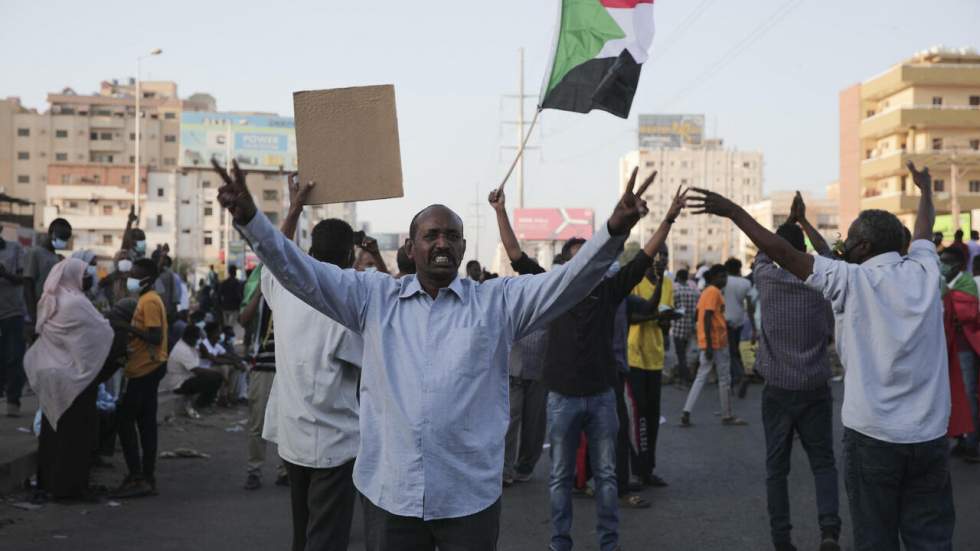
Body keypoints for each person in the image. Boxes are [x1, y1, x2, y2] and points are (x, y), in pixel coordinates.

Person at [214, 157, 657, 550]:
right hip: (392, 496)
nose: (441, 243)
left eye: (451, 235)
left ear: (464, 249)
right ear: (411, 248)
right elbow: (301, 273)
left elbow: (569, 283)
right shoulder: (373, 299)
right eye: (430, 235)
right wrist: (252, 219)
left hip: (469, 499)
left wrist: (614, 230)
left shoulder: (496, 304)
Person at [690, 161, 955, 550]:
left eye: (849, 240)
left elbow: (782, 251)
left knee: (875, 539)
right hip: (930, 437)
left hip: (873, 438)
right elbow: (923, 230)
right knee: (930, 541)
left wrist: (733, 212)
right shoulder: (925, 270)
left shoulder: (850, 280)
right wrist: (926, 191)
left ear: (862, 247)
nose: (843, 245)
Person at [495, 176, 686, 551]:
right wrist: (500, 209)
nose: (588, 261)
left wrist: (669, 219)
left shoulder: (611, 288)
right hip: (562, 397)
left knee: (608, 477)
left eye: (593, 255)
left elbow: (644, 255)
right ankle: (559, 543)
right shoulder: (552, 288)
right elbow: (516, 254)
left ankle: (608, 543)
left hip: (601, 395)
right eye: (580, 256)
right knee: (560, 478)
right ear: (567, 264)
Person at [260, 176, 364, 550]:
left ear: (312, 250)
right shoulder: (349, 302)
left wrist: (295, 206)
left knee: (302, 534)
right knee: (326, 538)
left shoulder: (286, 289)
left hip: (293, 437)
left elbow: (275, 254)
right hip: (334, 443)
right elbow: (367, 367)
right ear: (350, 256)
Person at [752, 193, 841, 551]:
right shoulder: (822, 283)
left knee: (777, 469)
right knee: (823, 464)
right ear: (803, 249)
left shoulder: (765, 279)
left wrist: (788, 226)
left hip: (777, 390)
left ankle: (782, 539)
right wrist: (803, 223)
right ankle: (829, 532)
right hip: (815, 387)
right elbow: (831, 258)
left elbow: (763, 249)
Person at [23, 259, 115, 500]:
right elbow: (102, 331)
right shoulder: (75, 302)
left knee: (52, 433)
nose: (89, 279)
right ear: (73, 276)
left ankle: (48, 484)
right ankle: (70, 489)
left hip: (49, 372)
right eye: (85, 274)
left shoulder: (50, 298)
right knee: (74, 435)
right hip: (72, 378)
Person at [488, 192, 552, 487]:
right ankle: (505, 470)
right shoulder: (533, 284)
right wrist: (501, 210)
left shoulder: (561, 296)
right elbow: (514, 252)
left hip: (541, 372)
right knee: (509, 422)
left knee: (535, 426)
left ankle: (525, 466)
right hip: (514, 370)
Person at [110, 258, 168, 499]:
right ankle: (146, 476)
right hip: (144, 367)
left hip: (146, 368)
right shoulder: (145, 300)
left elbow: (154, 337)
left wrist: (126, 327)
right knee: (145, 424)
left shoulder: (150, 301)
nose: (131, 279)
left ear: (148, 278)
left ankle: (138, 476)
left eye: (135, 275)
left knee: (125, 420)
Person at [625, 245, 672, 488]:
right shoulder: (634, 283)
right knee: (639, 414)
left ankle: (649, 468)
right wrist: (655, 317)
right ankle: (638, 469)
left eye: (664, 254)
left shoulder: (668, 284)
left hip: (655, 357)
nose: (661, 258)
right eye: (657, 254)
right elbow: (631, 318)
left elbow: (664, 325)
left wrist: (667, 321)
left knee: (652, 415)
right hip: (634, 356)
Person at [680, 265, 748, 427]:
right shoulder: (714, 292)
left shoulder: (706, 292)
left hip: (710, 341)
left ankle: (686, 411)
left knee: (701, 377)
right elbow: (707, 317)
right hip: (717, 342)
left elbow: (700, 315)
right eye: (723, 277)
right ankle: (727, 415)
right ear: (715, 277)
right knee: (724, 378)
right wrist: (710, 344)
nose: (725, 280)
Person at [938, 246, 980, 464]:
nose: (942, 264)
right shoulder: (944, 284)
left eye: (946, 261)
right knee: (954, 395)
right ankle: (961, 440)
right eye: (940, 259)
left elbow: (969, 314)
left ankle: (972, 444)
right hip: (948, 347)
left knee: (968, 394)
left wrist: (947, 300)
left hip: (964, 348)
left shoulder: (967, 283)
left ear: (961, 266)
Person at [24, 218, 72, 339]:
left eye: (66, 239)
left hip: (53, 312)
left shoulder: (56, 257)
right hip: (38, 310)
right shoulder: (35, 253)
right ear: (52, 234)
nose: (64, 241)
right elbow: (28, 283)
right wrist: (33, 314)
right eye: (62, 238)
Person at [161, 325, 222, 418]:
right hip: (179, 384)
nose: (199, 341)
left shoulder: (189, 345)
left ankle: (203, 403)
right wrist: (216, 374)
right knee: (214, 378)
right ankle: (201, 404)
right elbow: (196, 370)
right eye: (197, 338)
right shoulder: (182, 349)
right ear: (190, 337)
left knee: (215, 376)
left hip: (188, 378)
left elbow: (205, 356)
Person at [0, 226, 27, 417]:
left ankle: (12, 401)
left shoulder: (15, 248)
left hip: (12, 311)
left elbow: (22, 279)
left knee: (15, 357)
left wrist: (4, 273)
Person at [722, 257, 756, 396]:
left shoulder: (723, 281)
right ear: (739, 268)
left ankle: (739, 376)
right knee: (734, 349)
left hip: (724, 320)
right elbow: (750, 307)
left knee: (729, 352)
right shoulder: (746, 282)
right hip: (740, 320)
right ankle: (734, 379)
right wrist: (753, 327)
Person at [670, 268, 699, 386]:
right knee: (684, 354)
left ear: (678, 278)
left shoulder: (675, 291)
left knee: (680, 355)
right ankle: (685, 376)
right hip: (689, 327)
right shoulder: (693, 292)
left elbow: (671, 308)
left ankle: (684, 379)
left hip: (678, 327)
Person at [220, 265, 243, 331]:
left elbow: (219, 295)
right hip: (234, 308)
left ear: (229, 272)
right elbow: (239, 295)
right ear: (235, 272)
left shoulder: (224, 283)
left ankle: (226, 338)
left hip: (225, 307)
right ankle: (230, 338)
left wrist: (221, 305)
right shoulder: (238, 283)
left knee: (226, 326)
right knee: (232, 326)